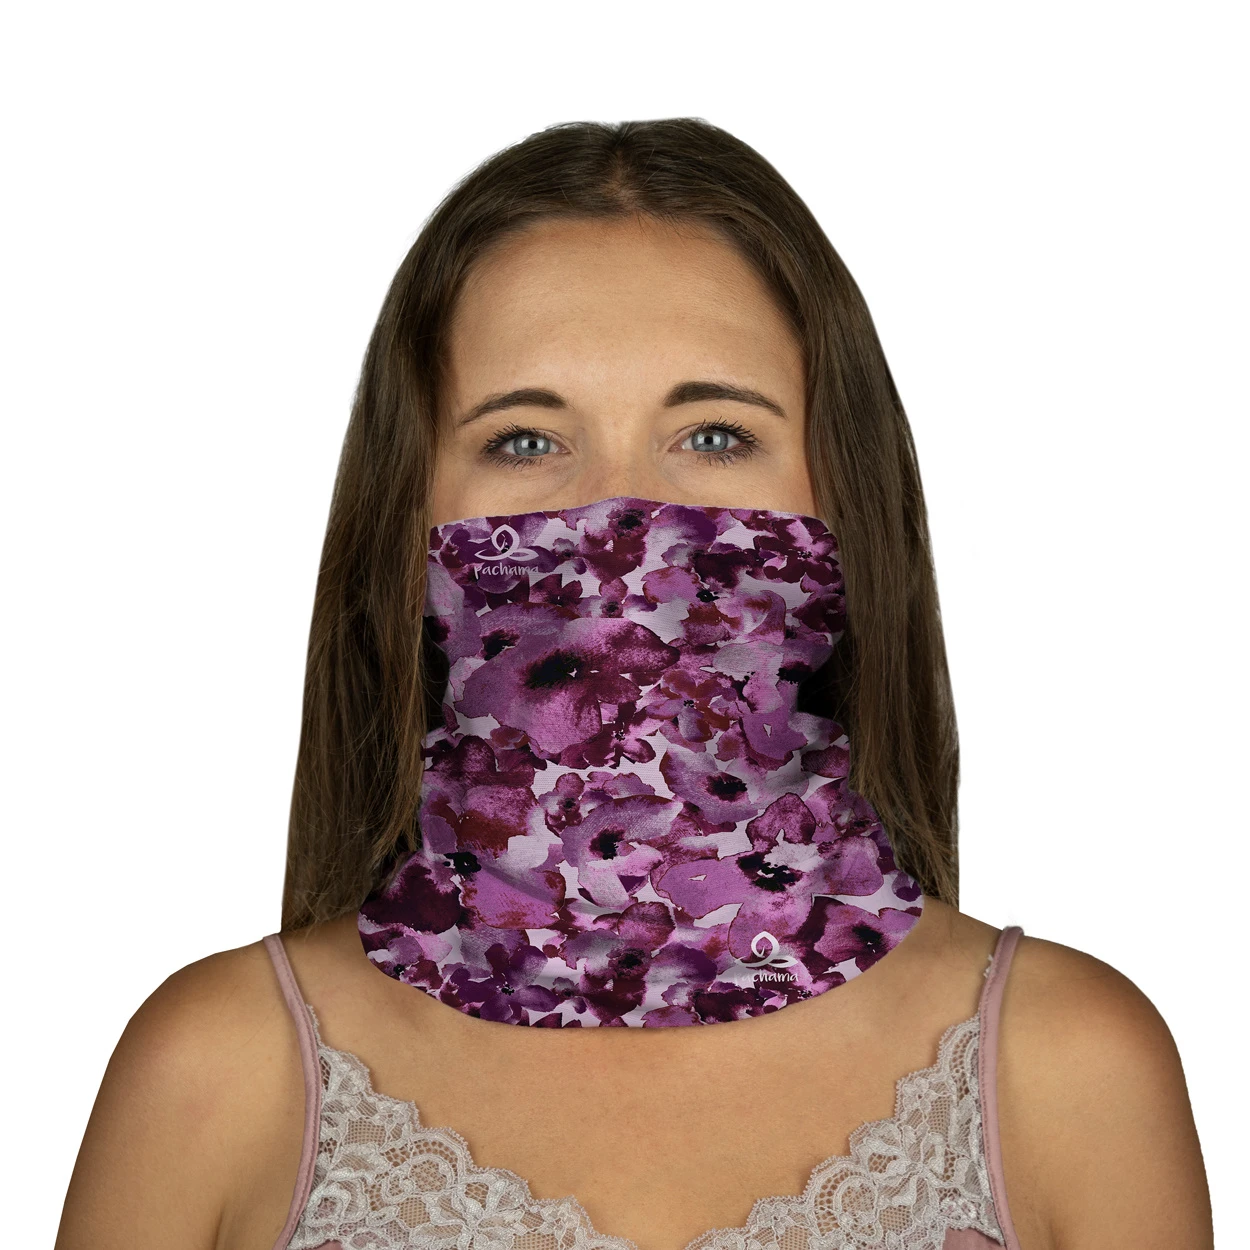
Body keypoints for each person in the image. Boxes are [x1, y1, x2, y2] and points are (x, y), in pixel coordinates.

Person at [55, 119, 1212, 1250]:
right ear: (404, 523)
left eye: (713, 435)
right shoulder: (216, 1076)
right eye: (522, 440)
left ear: (844, 503)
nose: (618, 518)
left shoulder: (1065, 1073)